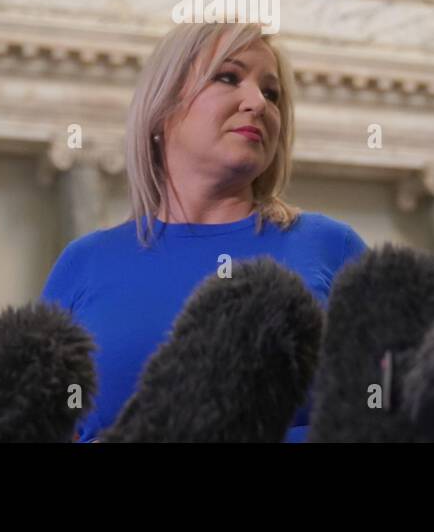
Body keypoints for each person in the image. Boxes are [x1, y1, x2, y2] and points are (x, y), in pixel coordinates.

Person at [41, 22, 368, 442]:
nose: (257, 103)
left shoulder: (329, 247)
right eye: (227, 77)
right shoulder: (85, 263)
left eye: (272, 94)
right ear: (161, 110)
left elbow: (400, 413)